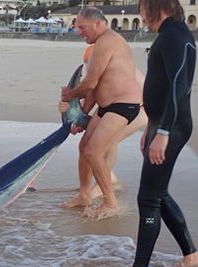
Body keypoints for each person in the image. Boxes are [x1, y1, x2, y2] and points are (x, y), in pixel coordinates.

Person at [127, 0, 198, 267]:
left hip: (173, 126)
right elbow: (160, 85)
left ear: (159, 7)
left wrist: (163, 132)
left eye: (144, 10)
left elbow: (178, 87)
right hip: (163, 125)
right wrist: (152, 127)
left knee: (148, 197)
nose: (142, 17)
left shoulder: (176, 36)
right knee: (157, 192)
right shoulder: (169, 35)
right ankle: (191, 256)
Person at [61, 7, 142, 219]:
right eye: (76, 27)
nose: (78, 31)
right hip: (106, 107)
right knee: (84, 147)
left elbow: (89, 82)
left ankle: (110, 202)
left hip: (124, 106)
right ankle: (85, 195)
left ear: (97, 23)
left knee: (94, 152)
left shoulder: (108, 40)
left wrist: (70, 94)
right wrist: (81, 116)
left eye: (82, 27)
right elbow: (95, 90)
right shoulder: (99, 44)